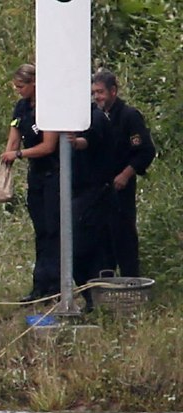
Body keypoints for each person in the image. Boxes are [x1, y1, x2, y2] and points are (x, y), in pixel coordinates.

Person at [0, 63, 61, 303]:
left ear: (34, 84)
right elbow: (14, 136)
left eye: (22, 86)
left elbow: (48, 146)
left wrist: (20, 155)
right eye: (16, 86)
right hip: (35, 175)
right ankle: (40, 285)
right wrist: (7, 160)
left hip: (53, 174)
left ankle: (56, 284)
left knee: (53, 229)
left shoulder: (48, 109)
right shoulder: (21, 108)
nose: (18, 90)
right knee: (40, 231)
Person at [91, 69, 156, 277]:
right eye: (94, 93)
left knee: (124, 236)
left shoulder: (129, 116)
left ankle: (131, 283)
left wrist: (126, 174)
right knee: (101, 239)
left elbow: (146, 151)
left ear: (113, 91)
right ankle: (105, 286)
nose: (97, 97)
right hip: (99, 186)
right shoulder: (94, 116)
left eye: (100, 92)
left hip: (121, 186)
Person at [69, 103, 118, 312]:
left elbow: (88, 141)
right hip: (78, 192)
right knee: (77, 248)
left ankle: (96, 298)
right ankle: (90, 297)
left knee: (86, 247)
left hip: (95, 192)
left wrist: (75, 142)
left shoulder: (95, 117)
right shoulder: (71, 116)